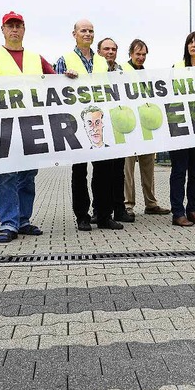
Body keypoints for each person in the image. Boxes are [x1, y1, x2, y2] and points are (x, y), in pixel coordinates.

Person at [0, 11, 55, 243]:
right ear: (2, 29)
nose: (15, 30)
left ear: (24, 29)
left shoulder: (36, 58)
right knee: (7, 175)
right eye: (10, 26)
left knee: (28, 175)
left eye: (18, 25)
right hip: (2, 126)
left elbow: (55, 82)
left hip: (32, 125)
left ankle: (23, 220)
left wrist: (67, 76)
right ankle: (8, 223)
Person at [55, 19, 123, 231]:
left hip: (100, 123)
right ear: (73, 33)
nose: (87, 34)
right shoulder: (64, 60)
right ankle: (82, 216)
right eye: (83, 30)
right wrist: (64, 78)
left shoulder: (103, 61)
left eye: (91, 31)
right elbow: (54, 90)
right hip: (76, 124)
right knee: (80, 172)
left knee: (104, 171)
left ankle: (103, 215)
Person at [122, 39, 171, 217]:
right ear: (131, 54)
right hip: (127, 127)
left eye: (144, 54)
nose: (141, 57)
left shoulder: (148, 75)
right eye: (138, 54)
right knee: (128, 169)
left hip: (146, 128)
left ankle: (151, 203)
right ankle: (128, 205)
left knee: (148, 167)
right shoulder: (121, 71)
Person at [169, 32, 195, 227]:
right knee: (179, 171)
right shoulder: (176, 68)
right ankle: (177, 212)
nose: (193, 45)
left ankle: (193, 209)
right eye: (190, 42)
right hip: (180, 126)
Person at [95, 38, 134, 224]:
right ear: (99, 51)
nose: (110, 52)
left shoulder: (122, 71)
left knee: (118, 170)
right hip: (99, 127)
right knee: (100, 172)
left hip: (118, 126)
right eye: (106, 49)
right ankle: (99, 210)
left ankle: (119, 209)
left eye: (113, 49)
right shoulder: (94, 69)